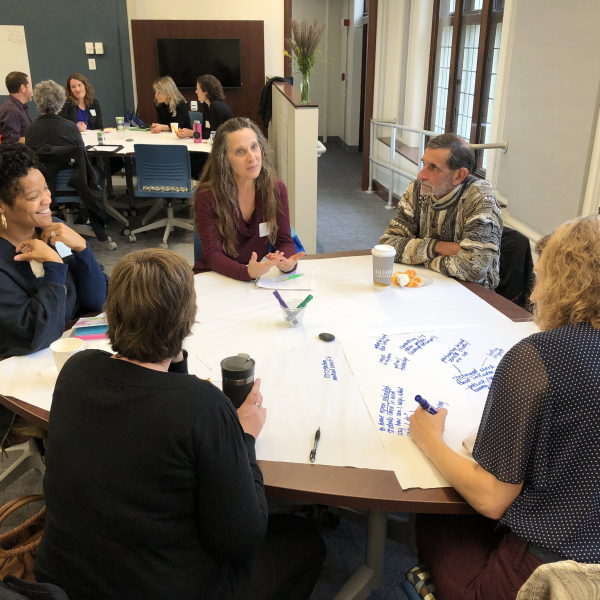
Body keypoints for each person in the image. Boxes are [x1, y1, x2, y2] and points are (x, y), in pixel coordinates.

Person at [35, 248, 326, 600]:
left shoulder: (77, 370)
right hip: (163, 587)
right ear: (187, 321)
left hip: (63, 580)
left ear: (112, 314)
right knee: (303, 539)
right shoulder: (204, 409)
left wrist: (176, 363)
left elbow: (150, 409)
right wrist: (243, 436)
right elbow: (241, 540)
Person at [409, 215, 600, 599]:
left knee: (433, 512)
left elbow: (491, 499)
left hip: (549, 578)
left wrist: (430, 439)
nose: (533, 294)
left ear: (565, 284)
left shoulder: (536, 357)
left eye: (542, 277)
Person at [0, 142, 108, 444]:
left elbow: (98, 299)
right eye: (34, 196)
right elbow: (36, 334)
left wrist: (83, 249)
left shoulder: (53, 230)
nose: (48, 199)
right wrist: (54, 267)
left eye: (46, 189)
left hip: (74, 360)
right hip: (22, 384)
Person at [379, 133, 503, 289]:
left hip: (470, 293)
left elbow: (473, 269)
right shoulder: (417, 189)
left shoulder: (480, 197)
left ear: (459, 175)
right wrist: (439, 247)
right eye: (423, 163)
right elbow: (388, 245)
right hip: (425, 282)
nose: (421, 175)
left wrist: (418, 255)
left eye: (432, 168)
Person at [193, 117, 304, 281]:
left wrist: (287, 262)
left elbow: (284, 241)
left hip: (254, 277)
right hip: (215, 276)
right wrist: (246, 273)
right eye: (240, 151)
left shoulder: (275, 190)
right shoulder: (208, 196)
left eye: (254, 147)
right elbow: (212, 255)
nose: (252, 158)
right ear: (225, 160)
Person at [25, 80, 84, 150]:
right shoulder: (71, 128)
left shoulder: (30, 130)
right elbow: (81, 155)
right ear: (62, 100)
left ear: (37, 100)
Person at [177, 74, 234, 139]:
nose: (196, 92)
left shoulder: (216, 106)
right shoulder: (206, 105)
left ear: (206, 92)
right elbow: (205, 130)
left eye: (198, 89)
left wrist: (192, 133)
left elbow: (216, 134)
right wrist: (190, 133)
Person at [0, 72, 33, 144]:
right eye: (30, 86)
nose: (31, 90)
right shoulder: (11, 111)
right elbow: (13, 142)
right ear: (23, 88)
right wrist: (36, 140)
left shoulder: (21, 108)